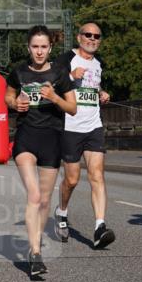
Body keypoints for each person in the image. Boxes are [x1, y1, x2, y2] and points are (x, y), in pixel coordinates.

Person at [6, 25, 77, 278]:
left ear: (50, 48)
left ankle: (35, 244)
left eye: (43, 47)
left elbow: (72, 108)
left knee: (45, 200)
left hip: (52, 138)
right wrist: (15, 103)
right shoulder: (19, 72)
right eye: (35, 47)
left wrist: (54, 97)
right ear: (28, 48)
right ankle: (35, 253)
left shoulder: (60, 73)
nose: (39, 51)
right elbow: (8, 96)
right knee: (34, 196)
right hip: (26, 137)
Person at [53, 22, 115, 248]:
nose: (92, 39)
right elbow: (50, 86)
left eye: (97, 36)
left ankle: (100, 227)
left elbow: (93, 87)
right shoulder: (65, 59)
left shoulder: (99, 63)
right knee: (72, 179)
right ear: (79, 38)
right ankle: (61, 212)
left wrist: (102, 93)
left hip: (93, 126)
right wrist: (70, 76)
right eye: (88, 35)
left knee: (97, 175)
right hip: (70, 127)